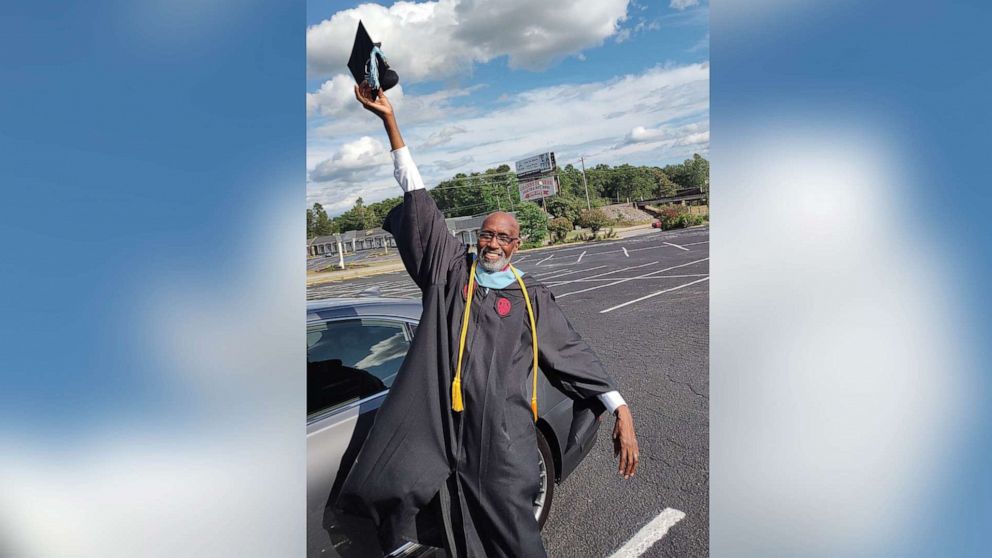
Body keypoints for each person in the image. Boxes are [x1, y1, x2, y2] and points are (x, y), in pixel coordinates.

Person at [336, 83, 639, 558]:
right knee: (452, 533)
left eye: (503, 237)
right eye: (486, 235)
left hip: (503, 442)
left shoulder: (528, 295)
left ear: (517, 245)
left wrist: (619, 407)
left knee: (517, 539)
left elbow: (570, 352)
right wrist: (391, 123)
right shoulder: (451, 272)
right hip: (445, 434)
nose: (492, 243)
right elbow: (419, 202)